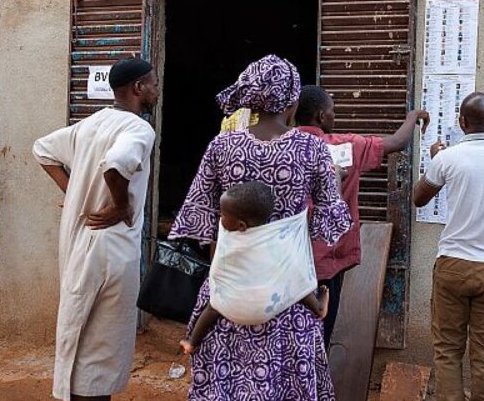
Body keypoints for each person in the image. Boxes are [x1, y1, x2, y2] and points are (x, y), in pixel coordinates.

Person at [169, 55, 352, 400]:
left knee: (225, 380)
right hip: (289, 290)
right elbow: (332, 217)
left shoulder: (221, 146)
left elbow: (201, 217)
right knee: (286, 381)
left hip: (229, 290)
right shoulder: (312, 148)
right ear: (293, 101)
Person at [33, 58, 158, 401]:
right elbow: (116, 167)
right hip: (111, 247)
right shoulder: (138, 129)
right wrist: (120, 205)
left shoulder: (88, 125)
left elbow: (42, 149)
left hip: (79, 243)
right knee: (102, 347)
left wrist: (74, 192)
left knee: (78, 330)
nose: (156, 90)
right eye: (154, 83)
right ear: (138, 88)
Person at [413, 92, 484, 401]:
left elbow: (418, 198)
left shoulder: (449, 157)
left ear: (462, 123)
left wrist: (436, 158)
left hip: (453, 264)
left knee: (448, 349)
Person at [295, 85, 430, 348]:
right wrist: (413, 116)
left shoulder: (278, 148)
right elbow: (396, 142)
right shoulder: (345, 147)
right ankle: (315, 384)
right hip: (327, 261)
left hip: (287, 261)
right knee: (320, 332)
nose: (335, 116)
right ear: (322, 117)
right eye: (332, 111)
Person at [179, 181, 330, 355]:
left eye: (223, 215)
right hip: (266, 308)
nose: (220, 218)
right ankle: (318, 307)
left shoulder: (230, 239)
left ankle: (191, 342)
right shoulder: (274, 239)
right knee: (294, 281)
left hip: (231, 309)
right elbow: (291, 266)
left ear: (241, 225)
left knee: (211, 307)